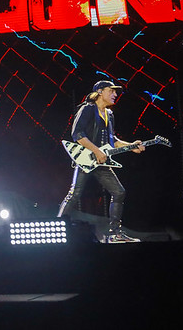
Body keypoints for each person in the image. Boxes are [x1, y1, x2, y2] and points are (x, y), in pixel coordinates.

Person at [57, 80, 145, 243]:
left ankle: (114, 233)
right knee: (75, 194)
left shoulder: (109, 114)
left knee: (119, 192)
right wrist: (97, 151)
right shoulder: (88, 108)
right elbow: (78, 135)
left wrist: (131, 146)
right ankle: (58, 228)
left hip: (101, 162)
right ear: (100, 92)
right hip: (86, 159)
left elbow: (113, 141)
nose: (115, 95)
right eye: (111, 91)